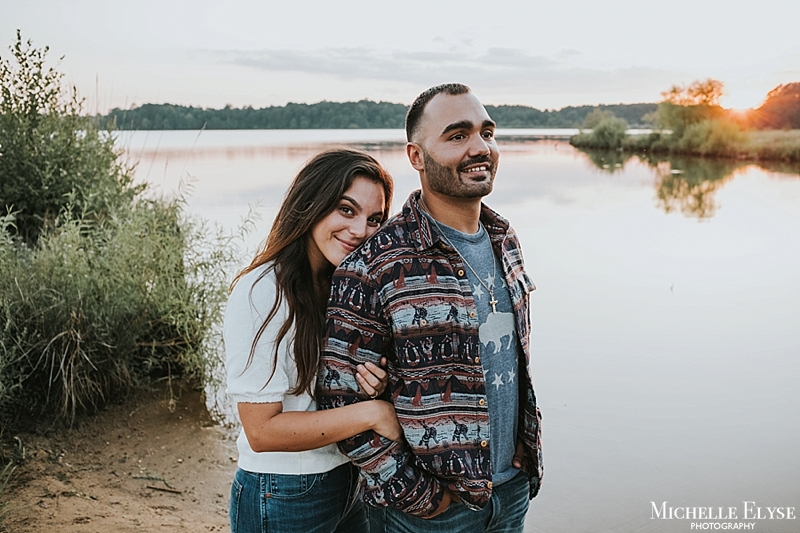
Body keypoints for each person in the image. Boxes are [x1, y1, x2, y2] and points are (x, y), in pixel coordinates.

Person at [318, 84, 543, 533]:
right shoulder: (376, 263)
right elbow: (339, 400)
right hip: (428, 513)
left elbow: (510, 359)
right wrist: (419, 496)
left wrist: (524, 440)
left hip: (511, 490)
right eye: (457, 136)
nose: (480, 148)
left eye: (487, 132)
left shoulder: (506, 240)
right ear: (416, 156)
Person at [225, 148, 401, 533]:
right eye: (346, 209)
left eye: (375, 219)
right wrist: (372, 414)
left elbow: (324, 390)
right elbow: (261, 431)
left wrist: (375, 386)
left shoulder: (346, 286)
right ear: (311, 204)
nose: (361, 231)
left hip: (348, 478)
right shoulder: (262, 291)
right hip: (282, 491)